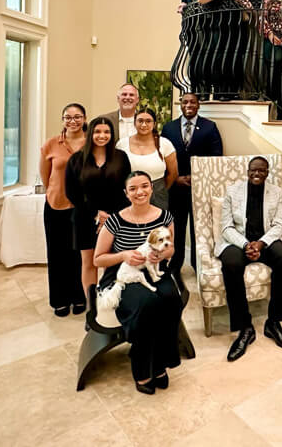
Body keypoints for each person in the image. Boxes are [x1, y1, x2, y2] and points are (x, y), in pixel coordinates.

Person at [94, 171, 183, 394]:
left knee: (172, 299)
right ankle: (142, 367)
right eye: (133, 188)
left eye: (144, 186)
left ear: (152, 188)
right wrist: (123, 255)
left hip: (153, 270)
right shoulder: (115, 221)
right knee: (147, 303)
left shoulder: (165, 217)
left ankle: (160, 363)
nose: (139, 192)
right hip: (122, 275)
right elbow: (98, 259)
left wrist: (160, 255)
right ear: (126, 193)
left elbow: (171, 248)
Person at [216, 156, 282, 361]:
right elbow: (226, 227)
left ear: (267, 173)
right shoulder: (233, 191)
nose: (256, 173)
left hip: (265, 240)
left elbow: (279, 224)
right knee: (231, 263)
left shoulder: (276, 192)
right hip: (238, 241)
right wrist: (245, 245)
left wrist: (260, 244)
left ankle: (273, 323)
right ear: (248, 171)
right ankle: (245, 328)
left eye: (261, 170)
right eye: (253, 170)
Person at [65, 116, 131, 295]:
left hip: (115, 218)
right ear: (90, 134)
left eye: (107, 132)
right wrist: (95, 213)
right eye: (98, 132)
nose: (102, 136)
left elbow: (126, 189)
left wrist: (111, 218)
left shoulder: (121, 157)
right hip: (85, 218)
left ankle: (110, 301)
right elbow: (72, 193)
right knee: (89, 263)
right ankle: (92, 304)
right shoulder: (76, 160)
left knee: (112, 263)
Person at [162, 93, 224, 279]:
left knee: (200, 230)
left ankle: (199, 265)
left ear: (198, 105)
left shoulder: (209, 127)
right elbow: (162, 157)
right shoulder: (169, 128)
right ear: (180, 105)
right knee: (177, 229)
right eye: (185, 102)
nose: (189, 105)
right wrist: (176, 178)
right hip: (176, 188)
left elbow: (216, 157)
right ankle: (175, 265)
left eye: (192, 102)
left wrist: (195, 177)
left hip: (200, 189)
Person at [39, 103, 87, 317]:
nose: (73, 121)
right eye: (68, 117)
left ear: (84, 119)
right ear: (63, 120)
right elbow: (46, 175)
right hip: (56, 205)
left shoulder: (91, 143)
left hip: (83, 207)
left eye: (77, 117)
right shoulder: (51, 144)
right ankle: (60, 300)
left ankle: (79, 297)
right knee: (57, 254)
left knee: (79, 254)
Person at [117, 107, 178, 210]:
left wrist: (159, 189)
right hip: (130, 195)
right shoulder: (122, 144)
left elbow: (173, 173)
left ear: (154, 124)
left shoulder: (165, 144)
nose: (144, 125)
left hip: (158, 195)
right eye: (140, 121)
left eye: (148, 121)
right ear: (134, 123)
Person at [99, 83, 139, 151]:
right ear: (118, 98)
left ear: (137, 99)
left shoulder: (145, 120)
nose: (127, 97)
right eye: (124, 94)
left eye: (131, 95)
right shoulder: (105, 119)